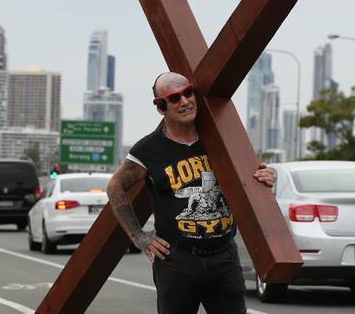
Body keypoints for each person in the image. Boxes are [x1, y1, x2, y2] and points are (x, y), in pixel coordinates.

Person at [106, 72, 275, 314]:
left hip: (224, 258)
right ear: (161, 107)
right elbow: (115, 186)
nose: (185, 101)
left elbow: (250, 179)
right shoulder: (149, 150)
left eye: (188, 92)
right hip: (177, 262)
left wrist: (265, 178)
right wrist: (138, 236)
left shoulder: (221, 140)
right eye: (175, 98)